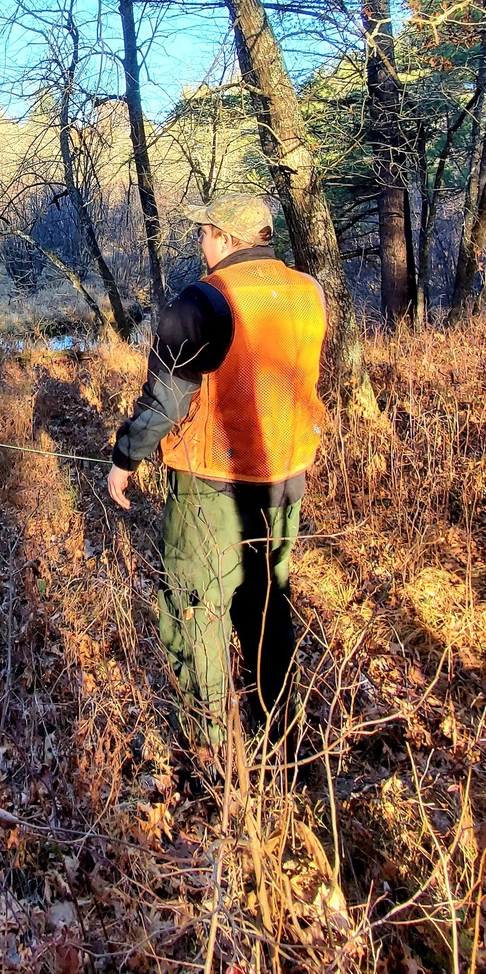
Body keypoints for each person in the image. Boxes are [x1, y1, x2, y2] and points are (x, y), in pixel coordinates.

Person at [107, 194, 327, 753]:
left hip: (211, 488)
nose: (200, 244)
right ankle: (287, 744)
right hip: (285, 483)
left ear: (227, 238)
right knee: (267, 607)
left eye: (205, 233)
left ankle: (211, 757)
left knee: (194, 613)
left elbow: (164, 402)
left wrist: (124, 458)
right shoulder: (309, 294)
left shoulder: (204, 301)